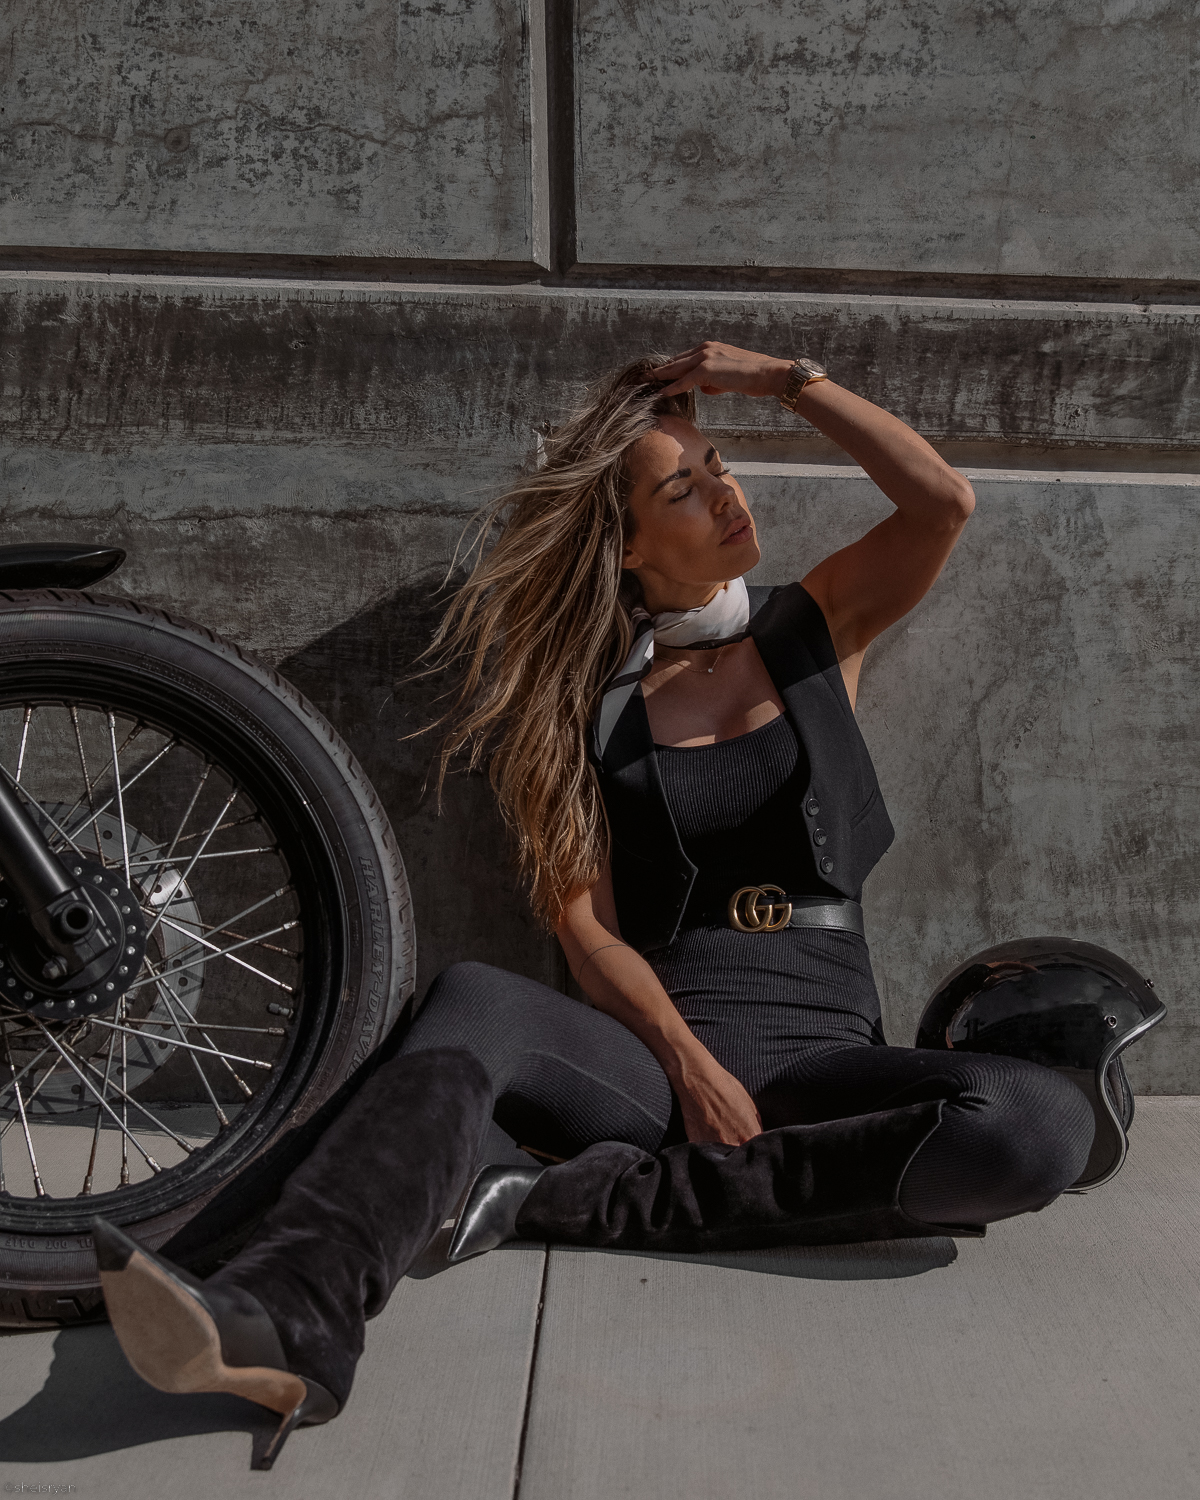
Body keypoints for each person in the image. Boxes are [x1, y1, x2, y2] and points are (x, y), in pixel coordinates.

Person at [94, 342, 1094, 1466]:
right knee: (477, 997)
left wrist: (785, 385)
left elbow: (941, 500)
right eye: (685, 488)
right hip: (657, 1059)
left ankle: (556, 1199)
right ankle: (296, 1310)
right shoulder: (582, 713)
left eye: (721, 464)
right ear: (626, 544)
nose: (727, 492)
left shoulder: (812, 629)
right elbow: (584, 933)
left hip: (823, 1061)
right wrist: (685, 1059)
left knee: (1036, 1124)